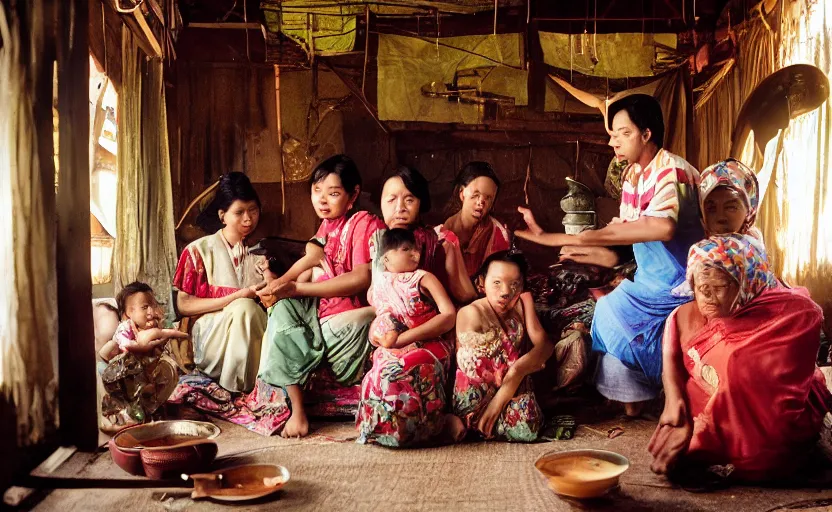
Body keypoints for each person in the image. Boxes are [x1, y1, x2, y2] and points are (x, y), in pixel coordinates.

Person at [515, 94, 703, 417]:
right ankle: (638, 400)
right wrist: (576, 247)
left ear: (646, 134)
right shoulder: (632, 176)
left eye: (623, 133)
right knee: (606, 315)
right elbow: (624, 234)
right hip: (648, 281)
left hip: (682, 284)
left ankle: (667, 389)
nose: (613, 140)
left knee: (621, 321)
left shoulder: (672, 170)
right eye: (612, 133)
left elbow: (662, 229)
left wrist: (570, 237)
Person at [649, 234, 831, 482]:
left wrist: (696, 433)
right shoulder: (686, 315)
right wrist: (674, 402)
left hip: (767, 418)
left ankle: (737, 453)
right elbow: (671, 362)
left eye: (720, 288)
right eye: (703, 289)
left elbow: (772, 390)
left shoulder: (790, 316)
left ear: (744, 284)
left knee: (737, 363)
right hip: (708, 406)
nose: (709, 297)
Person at [256, 155, 385, 438]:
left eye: (334, 193)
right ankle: (299, 412)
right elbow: (307, 271)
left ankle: (300, 394)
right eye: (317, 191)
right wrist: (277, 285)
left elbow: (362, 278)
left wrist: (297, 288)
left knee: (289, 305)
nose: (322, 200)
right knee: (281, 309)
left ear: (353, 196)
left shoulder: (365, 223)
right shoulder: (326, 227)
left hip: (352, 314)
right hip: (319, 313)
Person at [356, 228, 458, 447]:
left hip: (428, 343)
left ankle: (422, 429)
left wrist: (405, 339)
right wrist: (379, 336)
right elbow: (381, 315)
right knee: (377, 373)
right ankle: (384, 430)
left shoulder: (423, 279)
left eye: (415, 249)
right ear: (386, 258)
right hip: (393, 345)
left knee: (401, 370)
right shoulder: (378, 285)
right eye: (405, 249)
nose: (414, 255)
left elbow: (449, 315)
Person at [173, 172, 267, 393]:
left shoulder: (264, 252)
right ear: (222, 215)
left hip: (256, 330)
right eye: (239, 212)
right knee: (244, 308)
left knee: (252, 313)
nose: (248, 219)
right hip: (211, 333)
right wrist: (236, 298)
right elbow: (184, 305)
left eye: (253, 210)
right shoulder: (198, 250)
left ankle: (247, 386)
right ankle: (236, 387)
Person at [452, 251, 554, 442]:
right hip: (479, 394)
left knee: (527, 427)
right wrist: (529, 364)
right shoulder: (471, 313)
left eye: (515, 284)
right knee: (525, 428)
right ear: (481, 283)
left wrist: (518, 370)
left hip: (511, 388)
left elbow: (545, 345)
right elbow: (476, 365)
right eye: (497, 283)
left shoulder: (521, 306)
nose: (506, 291)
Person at [99, 282, 184, 432]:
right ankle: (124, 419)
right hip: (124, 376)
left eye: (153, 305)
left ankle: (149, 412)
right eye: (145, 307)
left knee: (169, 369)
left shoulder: (155, 326)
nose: (151, 311)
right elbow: (126, 347)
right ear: (127, 314)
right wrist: (146, 345)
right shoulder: (125, 328)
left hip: (147, 376)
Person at [436, 161, 510, 277]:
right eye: (476, 195)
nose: (481, 203)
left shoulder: (497, 234)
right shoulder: (441, 231)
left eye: (488, 198)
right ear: (462, 193)